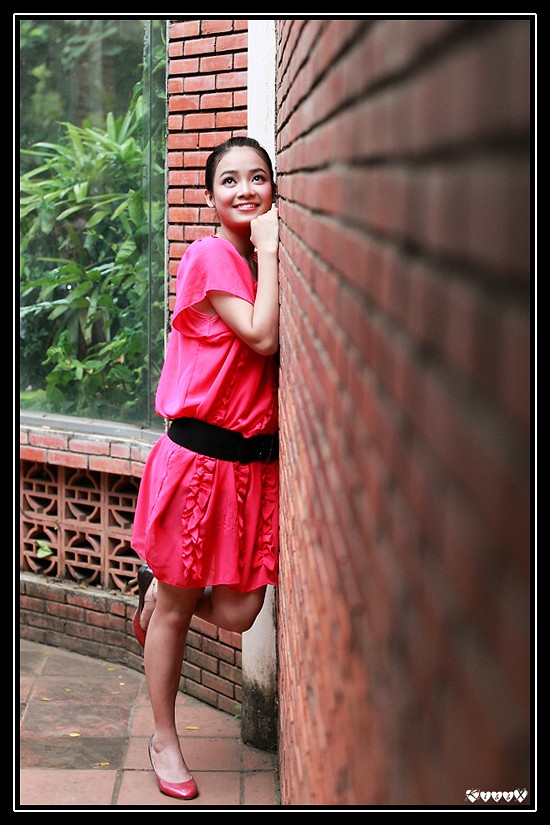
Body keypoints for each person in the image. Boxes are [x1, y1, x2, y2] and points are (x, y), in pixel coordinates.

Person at [130, 136, 280, 801]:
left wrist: (269, 253)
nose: (246, 190)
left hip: (250, 472)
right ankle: (164, 737)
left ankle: (158, 595)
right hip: (196, 462)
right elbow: (263, 336)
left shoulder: (257, 259)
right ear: (211, 196)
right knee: (179, 605)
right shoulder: (212, 255)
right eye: (230, 180)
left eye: (258, 177)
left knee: (243, 610)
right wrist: (270, 247)